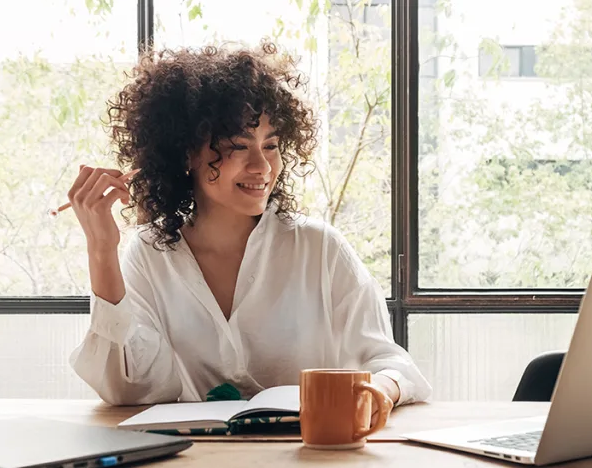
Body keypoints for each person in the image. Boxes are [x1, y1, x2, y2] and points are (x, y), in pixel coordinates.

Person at [68, 42, 432, 411]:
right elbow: (128, 390)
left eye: (271, 146)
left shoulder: (319, 248)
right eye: (238, 147)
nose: (262, 167)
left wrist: (379, 393)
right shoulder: (150, 253)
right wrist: (101, 250)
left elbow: (392, 364)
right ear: (185, 154)